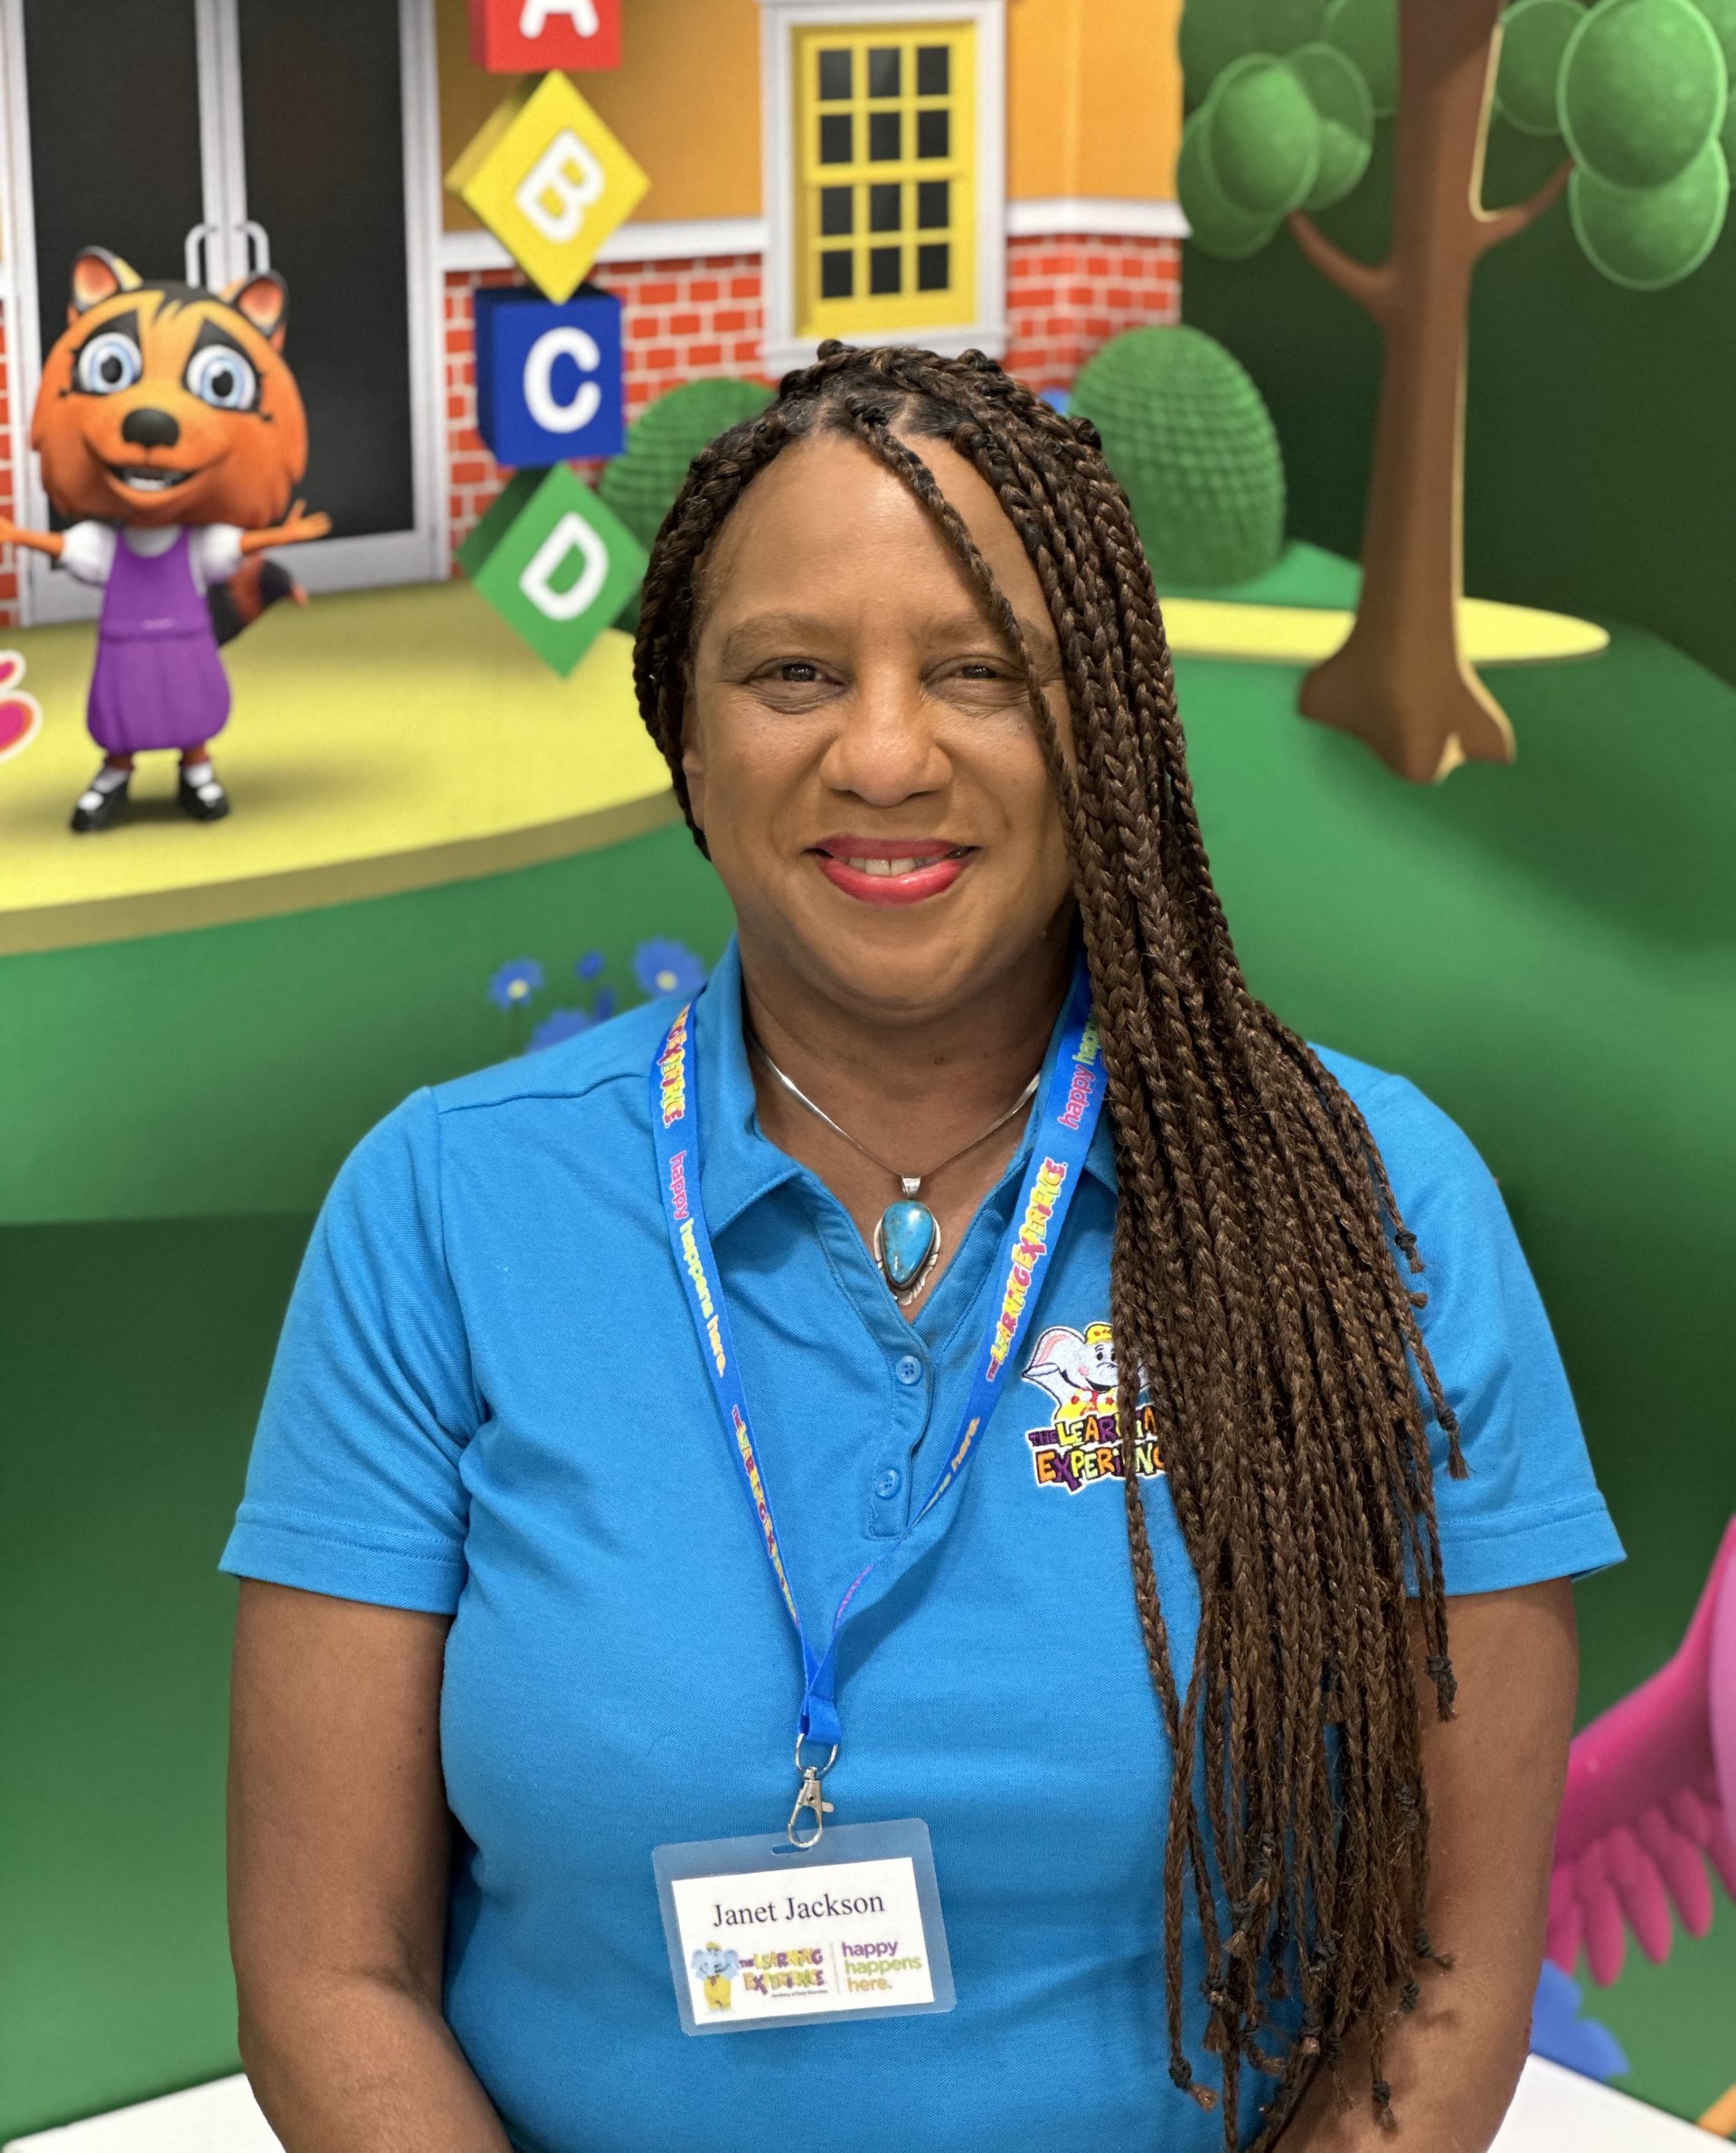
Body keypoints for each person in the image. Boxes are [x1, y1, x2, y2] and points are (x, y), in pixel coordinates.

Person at [223, 344, 1621, 2152]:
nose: (884, 754)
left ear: (1105, 729)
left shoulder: (1370, 1204)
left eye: (983, 673)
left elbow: (1443, 1970)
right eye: (793, 672)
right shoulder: (441, 1208)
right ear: (687, 735)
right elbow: (333, 1969)